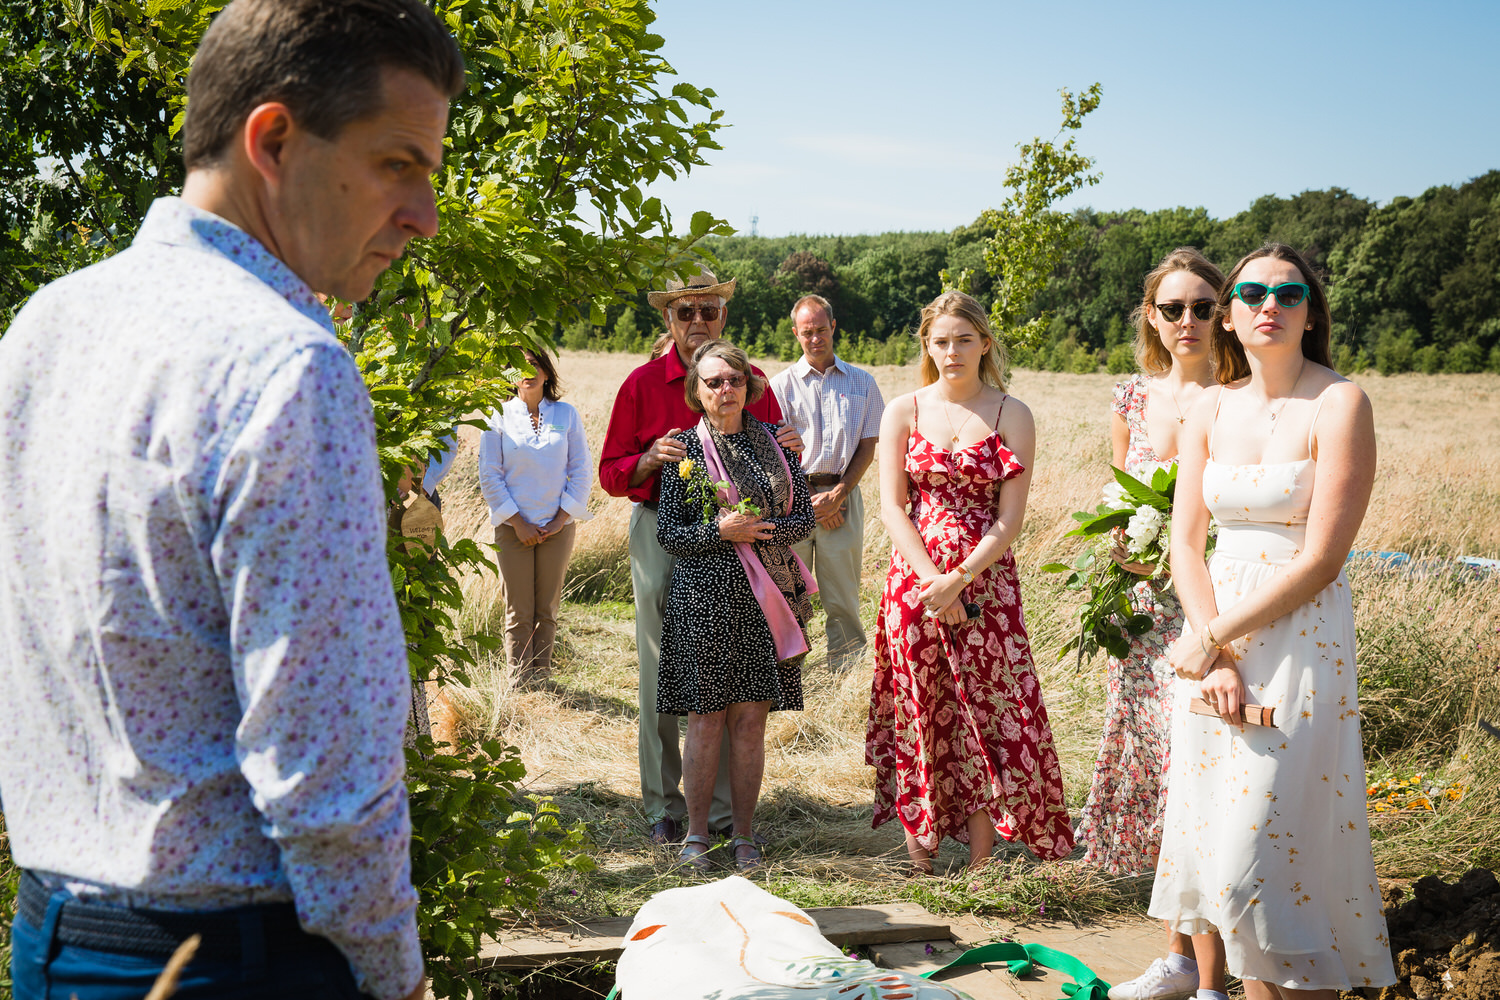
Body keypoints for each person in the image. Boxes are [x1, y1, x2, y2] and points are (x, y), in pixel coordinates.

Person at [0, 3, 464, 998]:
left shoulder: (45, 327)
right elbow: (327, 772)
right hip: (240, 961)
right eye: (399, 164)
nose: (424, 214)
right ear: (275, 139)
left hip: (51, 940)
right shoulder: (288, 365)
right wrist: (396, 974)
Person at [1149, 244, 1396, 1000]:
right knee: (1223, 869)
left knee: (1263, 860)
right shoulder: (1209, 409)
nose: (1269, 305)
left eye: (1288, 294)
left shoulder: (1339, 403)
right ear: (1229, 314)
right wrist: (1214, 650)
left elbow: (1322, 557)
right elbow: (1185, 543)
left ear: (1311, 311)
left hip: (1299, 644)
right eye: (1251, 292)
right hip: (1214, 639)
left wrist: (1216, 637)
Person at [866, 291, 1073, 875]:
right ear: (926, 347)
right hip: (914, 587)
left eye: (963, 339)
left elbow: (1010, 519)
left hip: (987, 588)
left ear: (985, 343)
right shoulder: (901, 410)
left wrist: (959, 579)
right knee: (920, 705)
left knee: (982, 711)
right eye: (940, 341)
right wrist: (933, 583)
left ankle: (982, 863)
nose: (952, 351)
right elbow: (891, 508)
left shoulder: (1013, 414)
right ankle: (922, 853)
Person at [598, 266, 802, 846]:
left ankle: (718, 815)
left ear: (723, 316)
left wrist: (790, 447)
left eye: (707, 310)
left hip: (743, 546)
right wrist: (647, 462)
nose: (696, 321)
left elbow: (776, 459)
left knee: (730, 676)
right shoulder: (640, 385)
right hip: (665, 532)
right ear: (667, 318)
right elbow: (612, 474)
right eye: (684, 311)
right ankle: (664, 804)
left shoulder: (751, 378)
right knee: (665, 667)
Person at [1082, 249, 1226, 1000]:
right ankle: (1176, 956)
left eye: (1203, 306)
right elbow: (1121, 494)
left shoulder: (1239, 395)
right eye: (1173, 308)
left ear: (1224, 311)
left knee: (1210, 776)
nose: (1188, 321)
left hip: (1214, 609)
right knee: (1169, 781)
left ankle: (1214, 975)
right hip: (1142, 615)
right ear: (1151, 315)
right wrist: (1124, 551)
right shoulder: (1131, 397)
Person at [656, 341, 815, 871]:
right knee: (705, 721)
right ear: (696, 392)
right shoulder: (685, 451)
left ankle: (744, 835)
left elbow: (804, 522)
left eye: (734, 380)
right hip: (705, 599)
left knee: (751, 723)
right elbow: (670, 535)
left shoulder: (779, 444)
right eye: (713, 382)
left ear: (749, 386)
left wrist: (758, 531)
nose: (725, 390)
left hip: (769, 602)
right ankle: (696, 838)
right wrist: (721, 531)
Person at [769, 295, 884, 672]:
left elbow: (868, 445)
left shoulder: (863, 382)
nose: (815, 338)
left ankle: (845, 680)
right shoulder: (779, 386)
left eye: (821, 330)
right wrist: (811, 500)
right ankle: (790, 681)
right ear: (795, 334)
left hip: (844, 498)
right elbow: (772, 452)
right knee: (790, 595)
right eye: (807, 332)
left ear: (833, 327)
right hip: (791, 503)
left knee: (843, 597)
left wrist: (838, 494)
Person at [479, 347, 593, 680]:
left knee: (547, 609)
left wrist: (561, 519)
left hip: (557, 527)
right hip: (512, 527)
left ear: (546, 373)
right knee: (519, 610)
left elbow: (581, 469)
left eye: (533, 365)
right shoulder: (496, 415)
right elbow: (490, 474)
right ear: (508, 375)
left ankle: (541, 678)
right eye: (517, 365)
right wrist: (518, 522)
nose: (526, 371)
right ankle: (519, 681)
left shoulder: (566, 415)